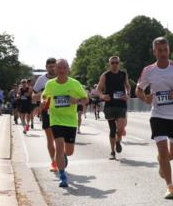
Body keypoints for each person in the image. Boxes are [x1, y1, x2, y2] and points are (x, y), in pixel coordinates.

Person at [136, 38, 173, 199]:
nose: (162, 53)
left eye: (165, 50)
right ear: (154, 51)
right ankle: (170, 186)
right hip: (158, 115)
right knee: (162, 151)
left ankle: (163, 162)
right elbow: (138, 90)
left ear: (169, 50)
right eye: (159, 50)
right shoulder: (149, 70)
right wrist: (145, 98)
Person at [41, 59, 89, 188]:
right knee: (59, 145)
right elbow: (45, 97)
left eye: (64, 68)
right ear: (55, 69)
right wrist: (43, 102)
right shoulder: (50, 84)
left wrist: (77, 100)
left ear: (68, 69)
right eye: (59, 68)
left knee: (69, 151)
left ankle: (62, 156)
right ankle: (62, 176)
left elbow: (86, 99)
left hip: (71, 121)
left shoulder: (75, 84)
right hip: (56, 120)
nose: (61, 70)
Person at [96, 56, 130, 159]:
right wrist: (102, 96)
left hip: (121, 104)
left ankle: (118, 140)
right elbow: (99, 89)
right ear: (109, 64)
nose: (115, 64)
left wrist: (127, 94)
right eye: (112, 63)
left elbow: (128, 86)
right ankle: (112, 152)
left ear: (119, 63)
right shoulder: (105, 75)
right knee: (112, 129)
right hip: (110, 105)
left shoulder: (123, 74)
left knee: (121, 128)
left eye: (116, 63)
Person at [33, 58, 59, 172]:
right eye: (50, 67)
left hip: (62, 112)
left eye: (54, 66)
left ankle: (60, 155)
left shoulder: (62, 77)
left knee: (60, 138)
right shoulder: (41, 79)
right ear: (46, 67)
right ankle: (54, 161)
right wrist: (43, 94)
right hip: (47, 111)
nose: (52, 68)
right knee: (50, 138)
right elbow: (33, 95)